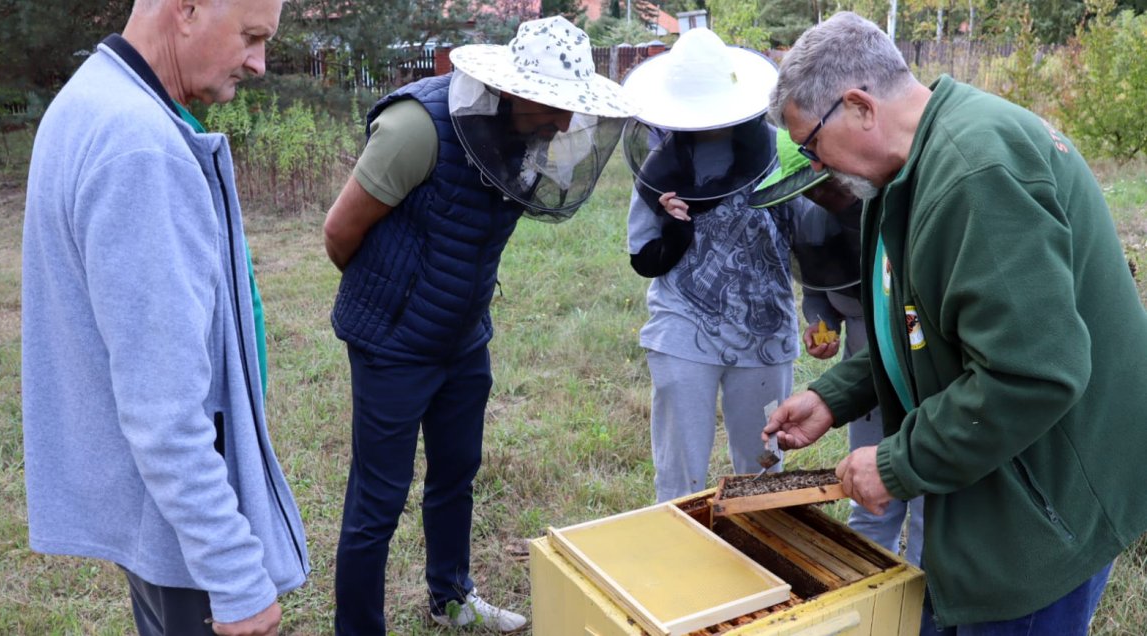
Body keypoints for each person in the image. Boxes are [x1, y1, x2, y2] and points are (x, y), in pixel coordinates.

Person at [762, 11, 1147, 635]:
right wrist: (835, 395)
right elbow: (927, 324)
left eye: (810, 144)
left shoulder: (974, 172)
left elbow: (1031, 375)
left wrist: (895, 464)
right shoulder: (912, 165)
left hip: (1048, 506)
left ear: (858, 106)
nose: (814, 164)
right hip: (1001, 482)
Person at [322, 15, 637, 634]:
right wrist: (396, 301)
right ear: (512, 90)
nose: (565, 122)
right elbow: (339, 233)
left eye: (572, 108)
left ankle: (452, 600)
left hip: (464, 338)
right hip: (391, 343)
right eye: (553, 105)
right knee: (377, 502)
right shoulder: (417, 128)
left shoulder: (525, 137)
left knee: (457, 471)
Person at [21, 1, 310, 635]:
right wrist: (234, 573)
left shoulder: (90, 97)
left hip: (157, 509)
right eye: (252, 36)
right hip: (187, 531)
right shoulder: (141, 147)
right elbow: (162, 409)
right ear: (187, 9)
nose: (260, 62)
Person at [620, 28, 798, 503]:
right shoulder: (661, 165)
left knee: (763, 473)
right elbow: (643, 257)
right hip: (682, 330)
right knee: (678, 480)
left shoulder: (780, 149)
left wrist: (825, 305)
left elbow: (811, 238)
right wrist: (675, 226)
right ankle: (676, 570)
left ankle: (761, 570)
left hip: (766, 332)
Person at [750, 130, 924, 567]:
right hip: (864, 386)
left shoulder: (896, 209)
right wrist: (819, 324)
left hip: (924, 380)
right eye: (811, 191)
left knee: (927, 503)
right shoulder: (811, 224)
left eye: (826, 185)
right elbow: (818, 293)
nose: (823, 198)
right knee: (866, 498)